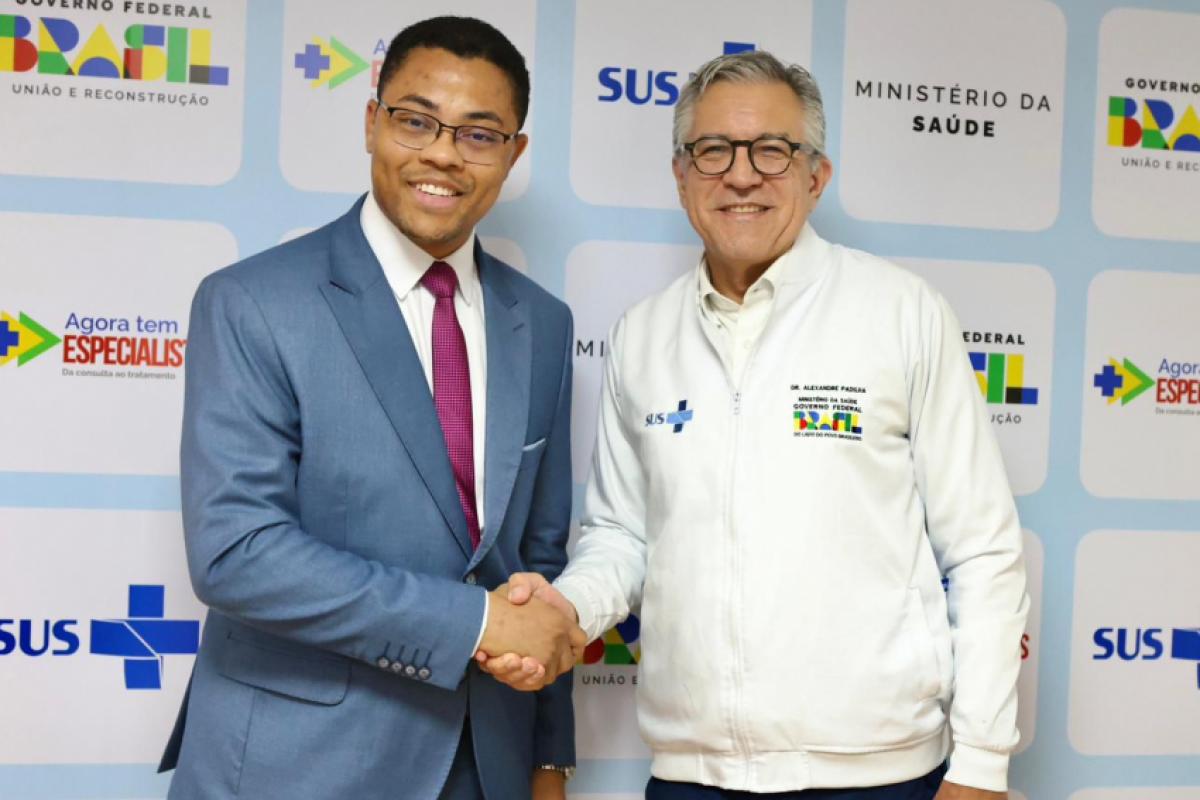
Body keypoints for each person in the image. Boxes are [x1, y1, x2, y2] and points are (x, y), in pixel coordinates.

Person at [483, 50, 1029, 799]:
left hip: (883, 775)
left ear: (816, 175)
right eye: (713, 150)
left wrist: (982, 765)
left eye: (772, 150)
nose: (741, 176)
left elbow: (983, 551)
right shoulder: (643, 335)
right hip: (691, 777)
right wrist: (566, 609)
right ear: (681, 176)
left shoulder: (902, 312)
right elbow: (623, 536)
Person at [160, 16, 584, 800]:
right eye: (416, 121)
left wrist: (549, 758)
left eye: (479, 135)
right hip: (296, 764)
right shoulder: (254, 301)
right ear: (371, 122)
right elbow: (236, 551)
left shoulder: (543, 323)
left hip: (487, 762)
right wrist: (473, 624)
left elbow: (538, 564)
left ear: (514, 153)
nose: (443, 155)